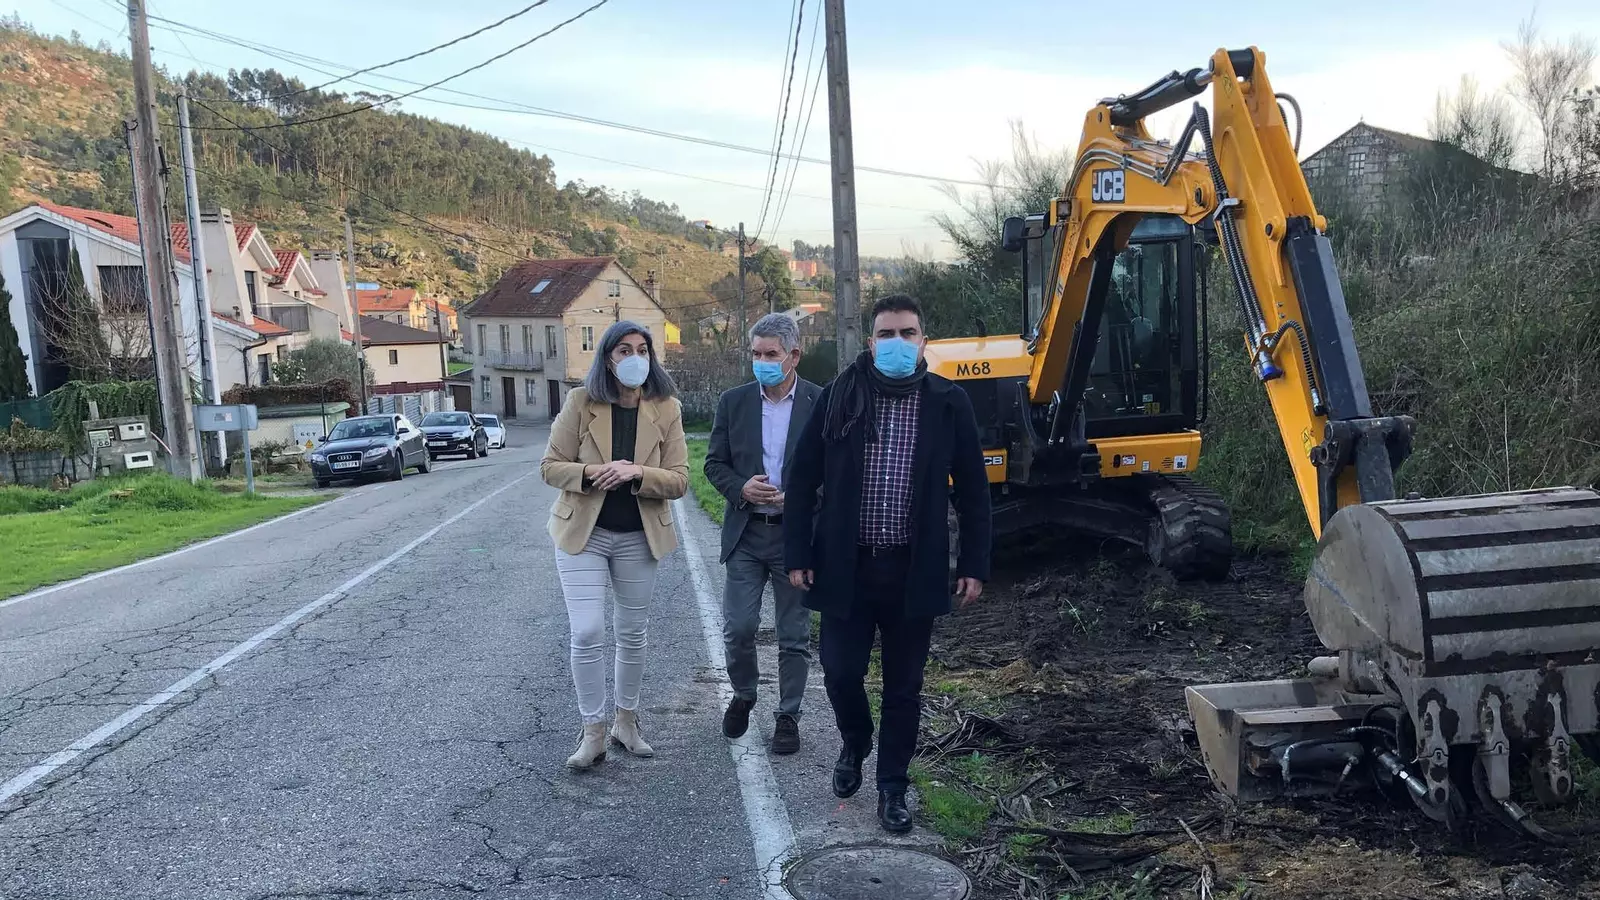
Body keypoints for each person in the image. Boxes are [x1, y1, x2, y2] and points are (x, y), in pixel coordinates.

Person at [783, 294, 992, 833]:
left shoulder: (948, 402)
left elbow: (974, 490)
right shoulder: (840, 396)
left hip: (912, 570)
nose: (897, 343)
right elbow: (802, 478)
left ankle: (892, 787)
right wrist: (798, 553)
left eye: (907, 333)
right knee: (840, 672)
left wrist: (974, 564)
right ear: (871, 342)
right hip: (846, 567)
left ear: (924, 341)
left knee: (904, 688)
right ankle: (856, 740)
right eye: (886, 334)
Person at [540, 320, 688, 771]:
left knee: (632, 633)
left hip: (639, 537)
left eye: (642, 349)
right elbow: (550, 466)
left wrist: (638, 473)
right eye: (624, 350)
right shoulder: (580, 401)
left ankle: (626, 721)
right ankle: (593, 732)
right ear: (607, 358)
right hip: (583, 534)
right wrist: (590, 473)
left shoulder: (667, 408)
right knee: (587, 632)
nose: (634, 358)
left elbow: (680, 479)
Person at [703, 313, 824, 754]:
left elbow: (838, 469)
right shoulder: (733, 402)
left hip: (795, 539)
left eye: (771, 354)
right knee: (739, 627)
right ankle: (744, 693)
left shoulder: (820, 402)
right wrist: (741, 488)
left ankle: (788, 716)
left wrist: (803, 497)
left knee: (793, 635)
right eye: (756, 353)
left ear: (794, 355)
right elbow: (713, 463)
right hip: (747, 535)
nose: (762, 362)